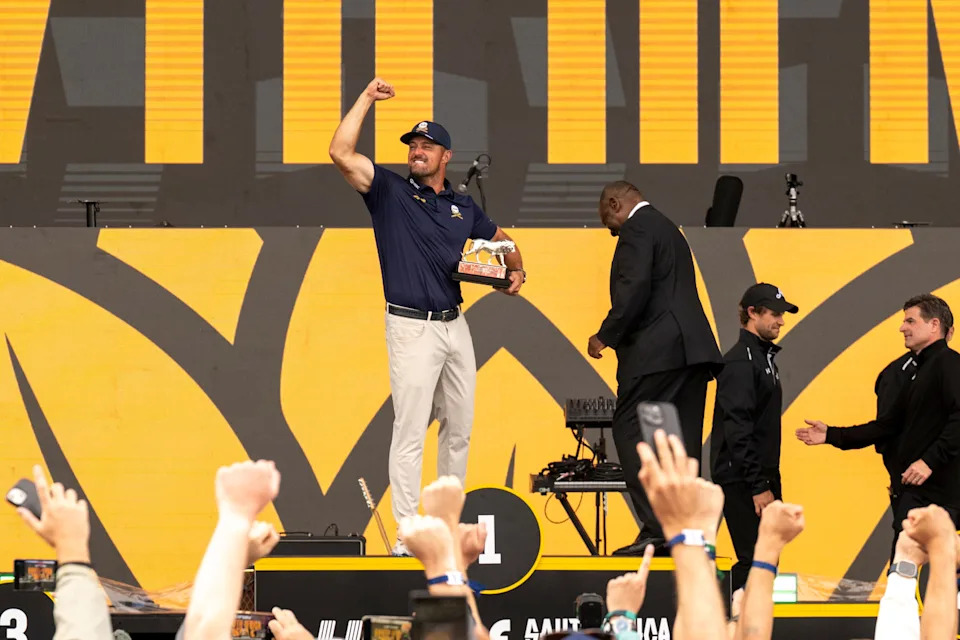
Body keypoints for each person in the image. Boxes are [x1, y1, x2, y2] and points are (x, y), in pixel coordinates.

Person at [329, 77, 525, 555]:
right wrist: (365, 99)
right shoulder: (389, 190)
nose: (417, 150)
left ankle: (445, 524)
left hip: (454, 323)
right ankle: (408, 531)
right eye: (413, 144)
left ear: (445, 156)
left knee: (459, 426)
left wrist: (516, 267)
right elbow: (339, 152)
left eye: (427, 145)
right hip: (411, 324)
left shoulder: (462, 205)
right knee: (411, 427)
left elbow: (500, 238)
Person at [587, 180, 722, 555]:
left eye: (608, 224)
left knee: (630, 429)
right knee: (680, 442)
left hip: (656, 353)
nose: (612, 232)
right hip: (691, 353)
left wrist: (606, 335)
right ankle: (685, 529)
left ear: (615, 204)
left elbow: (635, 287)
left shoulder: (637, 228)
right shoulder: (667, 228)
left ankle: (656, 528)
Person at [796, 294, 960, 557]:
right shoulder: (914, 372)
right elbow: (886, 426)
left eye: (910, 321)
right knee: (902, 562)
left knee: (937, 564)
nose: (902, 327)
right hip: (914, 489)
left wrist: (928, 460)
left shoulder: (949, 363)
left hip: (944, 490)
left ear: (934, 325)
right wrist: (832, 435)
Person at [710, 283, 798, 591]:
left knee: (766, 558)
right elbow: (738, 427)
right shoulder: (740, 361)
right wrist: (758, 485)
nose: (781, 321)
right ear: (752, 313)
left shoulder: (761, 358)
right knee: (756, 559)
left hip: (759, 473)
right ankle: (737, 626)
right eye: (774, 314)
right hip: (743, 478)